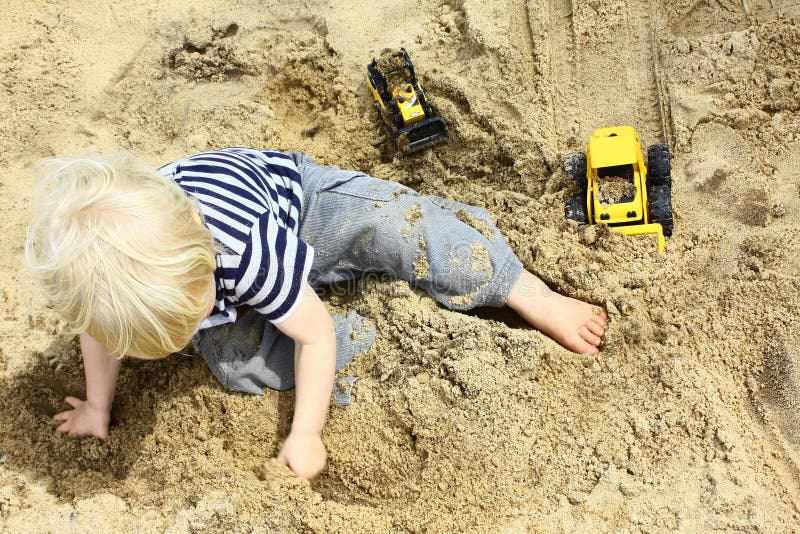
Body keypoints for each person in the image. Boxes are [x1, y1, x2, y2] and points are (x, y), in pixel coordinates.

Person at [25, 148, 608, 480]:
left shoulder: (242, 255)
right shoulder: (105, 291)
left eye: (193, 311)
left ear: (206, 267)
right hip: (202, 268)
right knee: (234, 366)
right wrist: (97, 405)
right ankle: (382, 349)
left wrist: (306, 432)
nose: (193, 329)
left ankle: (521, 288)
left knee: (397, 226)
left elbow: (315, 332)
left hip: (301, 206)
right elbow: (97, 335)